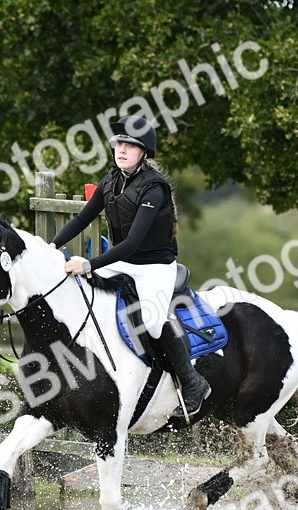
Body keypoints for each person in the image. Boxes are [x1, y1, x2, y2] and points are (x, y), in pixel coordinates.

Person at [49, 115, 211, 420]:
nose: (121, 150)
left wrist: (89, 264)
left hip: (154, 266)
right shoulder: (110, 180)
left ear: (143, 153)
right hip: (123, 261)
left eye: (130, 146)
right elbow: (83, 218)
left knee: (152, 322)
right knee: (80, 292)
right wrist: (53, 246)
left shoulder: (154, 189)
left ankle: (192, 383)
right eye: (119, 144)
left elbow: (134, 242)